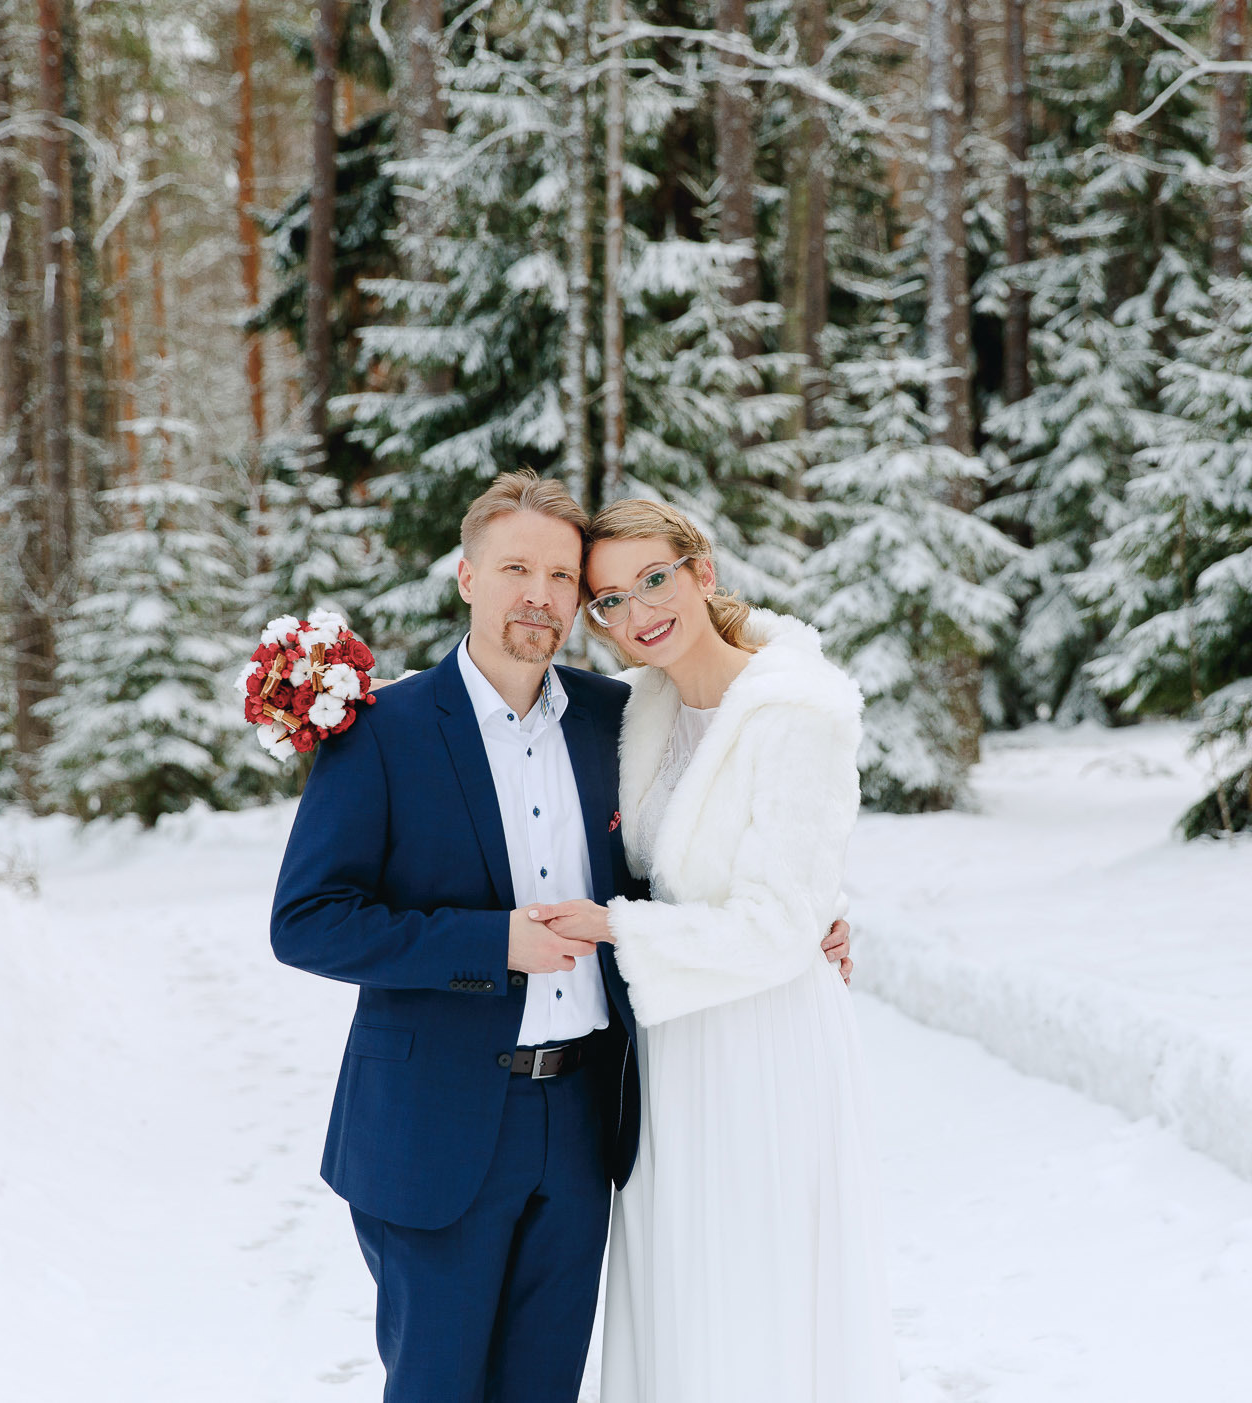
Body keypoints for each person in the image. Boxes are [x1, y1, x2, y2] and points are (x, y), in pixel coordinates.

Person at [267, 471, 851, 1403]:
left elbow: (693, 844)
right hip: (435, 1126)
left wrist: (807, 913)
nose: (539, 593)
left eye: (562, 576)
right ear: (467, 577)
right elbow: (305, 921)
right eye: (515, 568)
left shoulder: (619, 717)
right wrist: (489, 942)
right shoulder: (383, 730)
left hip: (583, 1123)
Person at [532, 499, 899, 1403]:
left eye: (653, 579)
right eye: (609, 599)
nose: (637, 612)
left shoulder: (796, 711)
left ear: (702, 570)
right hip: (673, 1047)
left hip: (762, 1044)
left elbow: (776, 922)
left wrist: (619, 926)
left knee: (756, 1284)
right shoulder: (643, 708)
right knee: (682, 1284)